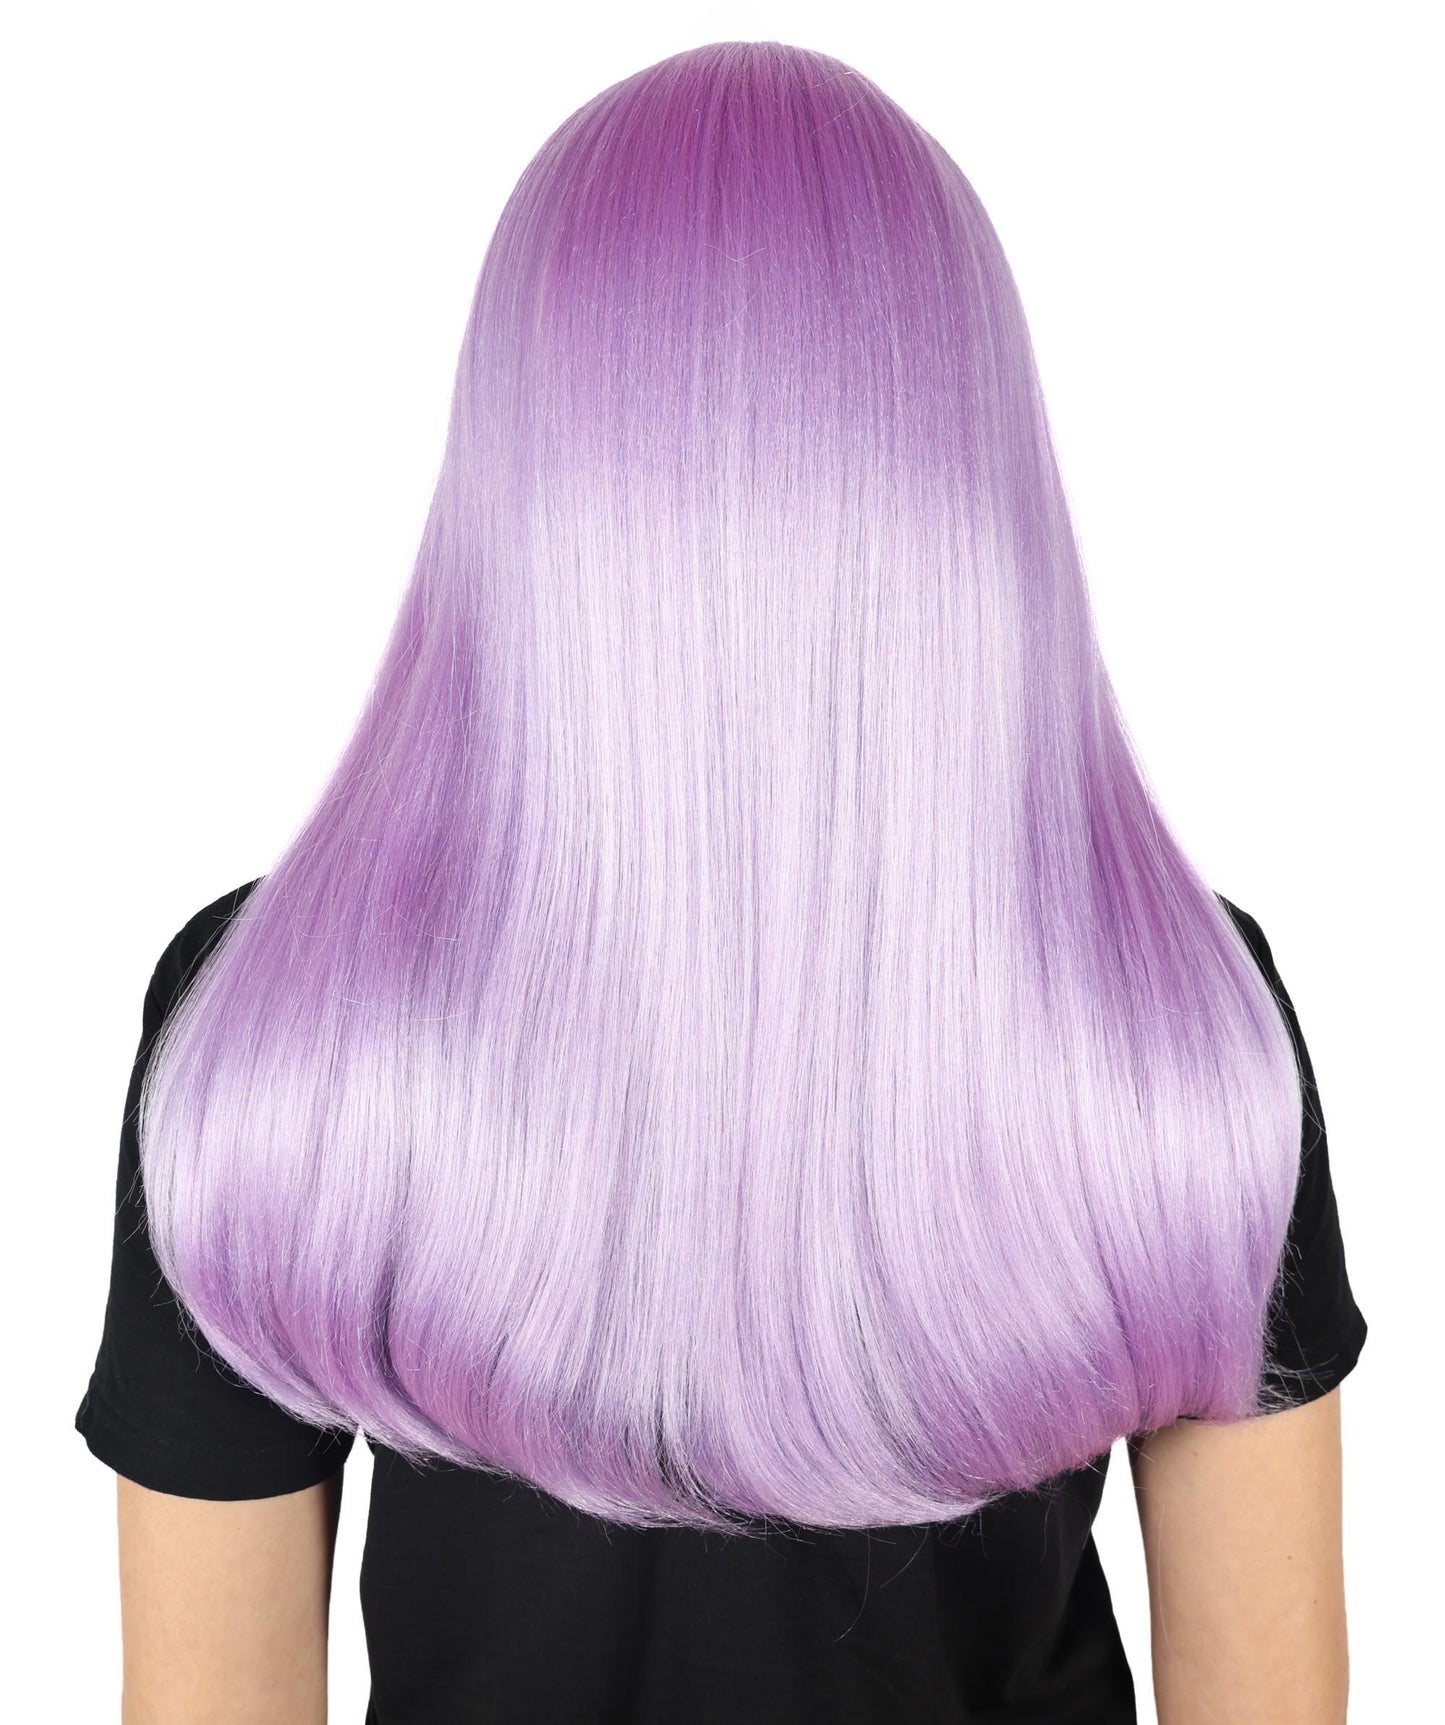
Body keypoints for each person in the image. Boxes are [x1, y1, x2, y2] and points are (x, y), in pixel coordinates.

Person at [76, 40, 1367, 1725]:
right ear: (960, 452)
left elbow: (213, 1703)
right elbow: (1265, 1698)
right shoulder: (1166, 1012)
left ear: (527, 446)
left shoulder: (280, 1021)